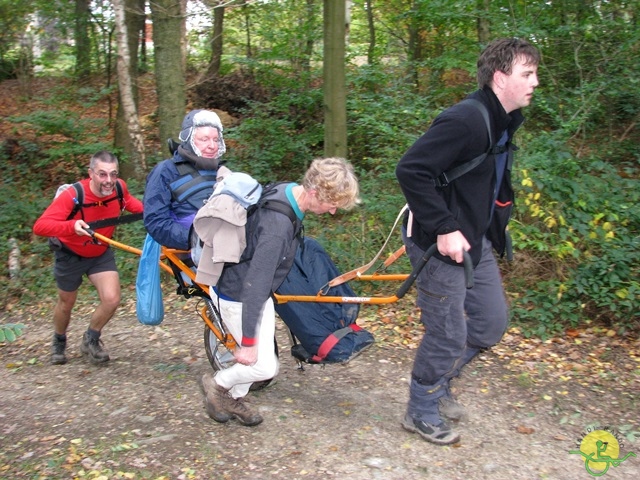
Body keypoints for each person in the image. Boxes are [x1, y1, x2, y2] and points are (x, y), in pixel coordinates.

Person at [395, 38, 540, 445]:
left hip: (475, 243)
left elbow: (486, 182)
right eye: (526, 74)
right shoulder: (466, 120)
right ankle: (420, 407)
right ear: (500, 77)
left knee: (491, 323)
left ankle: (439, 384)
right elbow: (410, 170)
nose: (535, 82)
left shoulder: (504, 121)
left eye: (534, 74)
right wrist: (443, 227)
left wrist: (495, 229)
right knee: (447, 333)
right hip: (438, 246)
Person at [198, 157, 360, 427]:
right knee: (264, 366)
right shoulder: (278, 226)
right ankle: (216, 385)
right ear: (314, 192)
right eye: (331, 205)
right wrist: (247, 343)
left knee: (261, 361)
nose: (332, 212)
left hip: (254, 293)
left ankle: (229, 397)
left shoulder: (289, 190)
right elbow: (254, 283)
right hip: (237, 294)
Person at [33, 151, 144, 365]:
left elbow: (130, 203)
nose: (109, 181)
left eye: (113, 174)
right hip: (69, 255)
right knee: (67, 303)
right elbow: (40, 226)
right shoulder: (73, 195)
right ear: (91, 173)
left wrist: (155, 214)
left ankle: (91, 339)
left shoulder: (119, 188)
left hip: (100, 253)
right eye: (102, 174)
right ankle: (59, 339)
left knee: (111, 299)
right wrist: (71, 226)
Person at [143, 109, 226, 250]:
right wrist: (194, 239)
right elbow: (156, 221)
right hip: (193, 254)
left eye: (216, 139)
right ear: (189, 139)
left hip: (230, 246)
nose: (212, 146)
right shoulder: (166, 171)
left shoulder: (222, 172)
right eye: (204, 139)